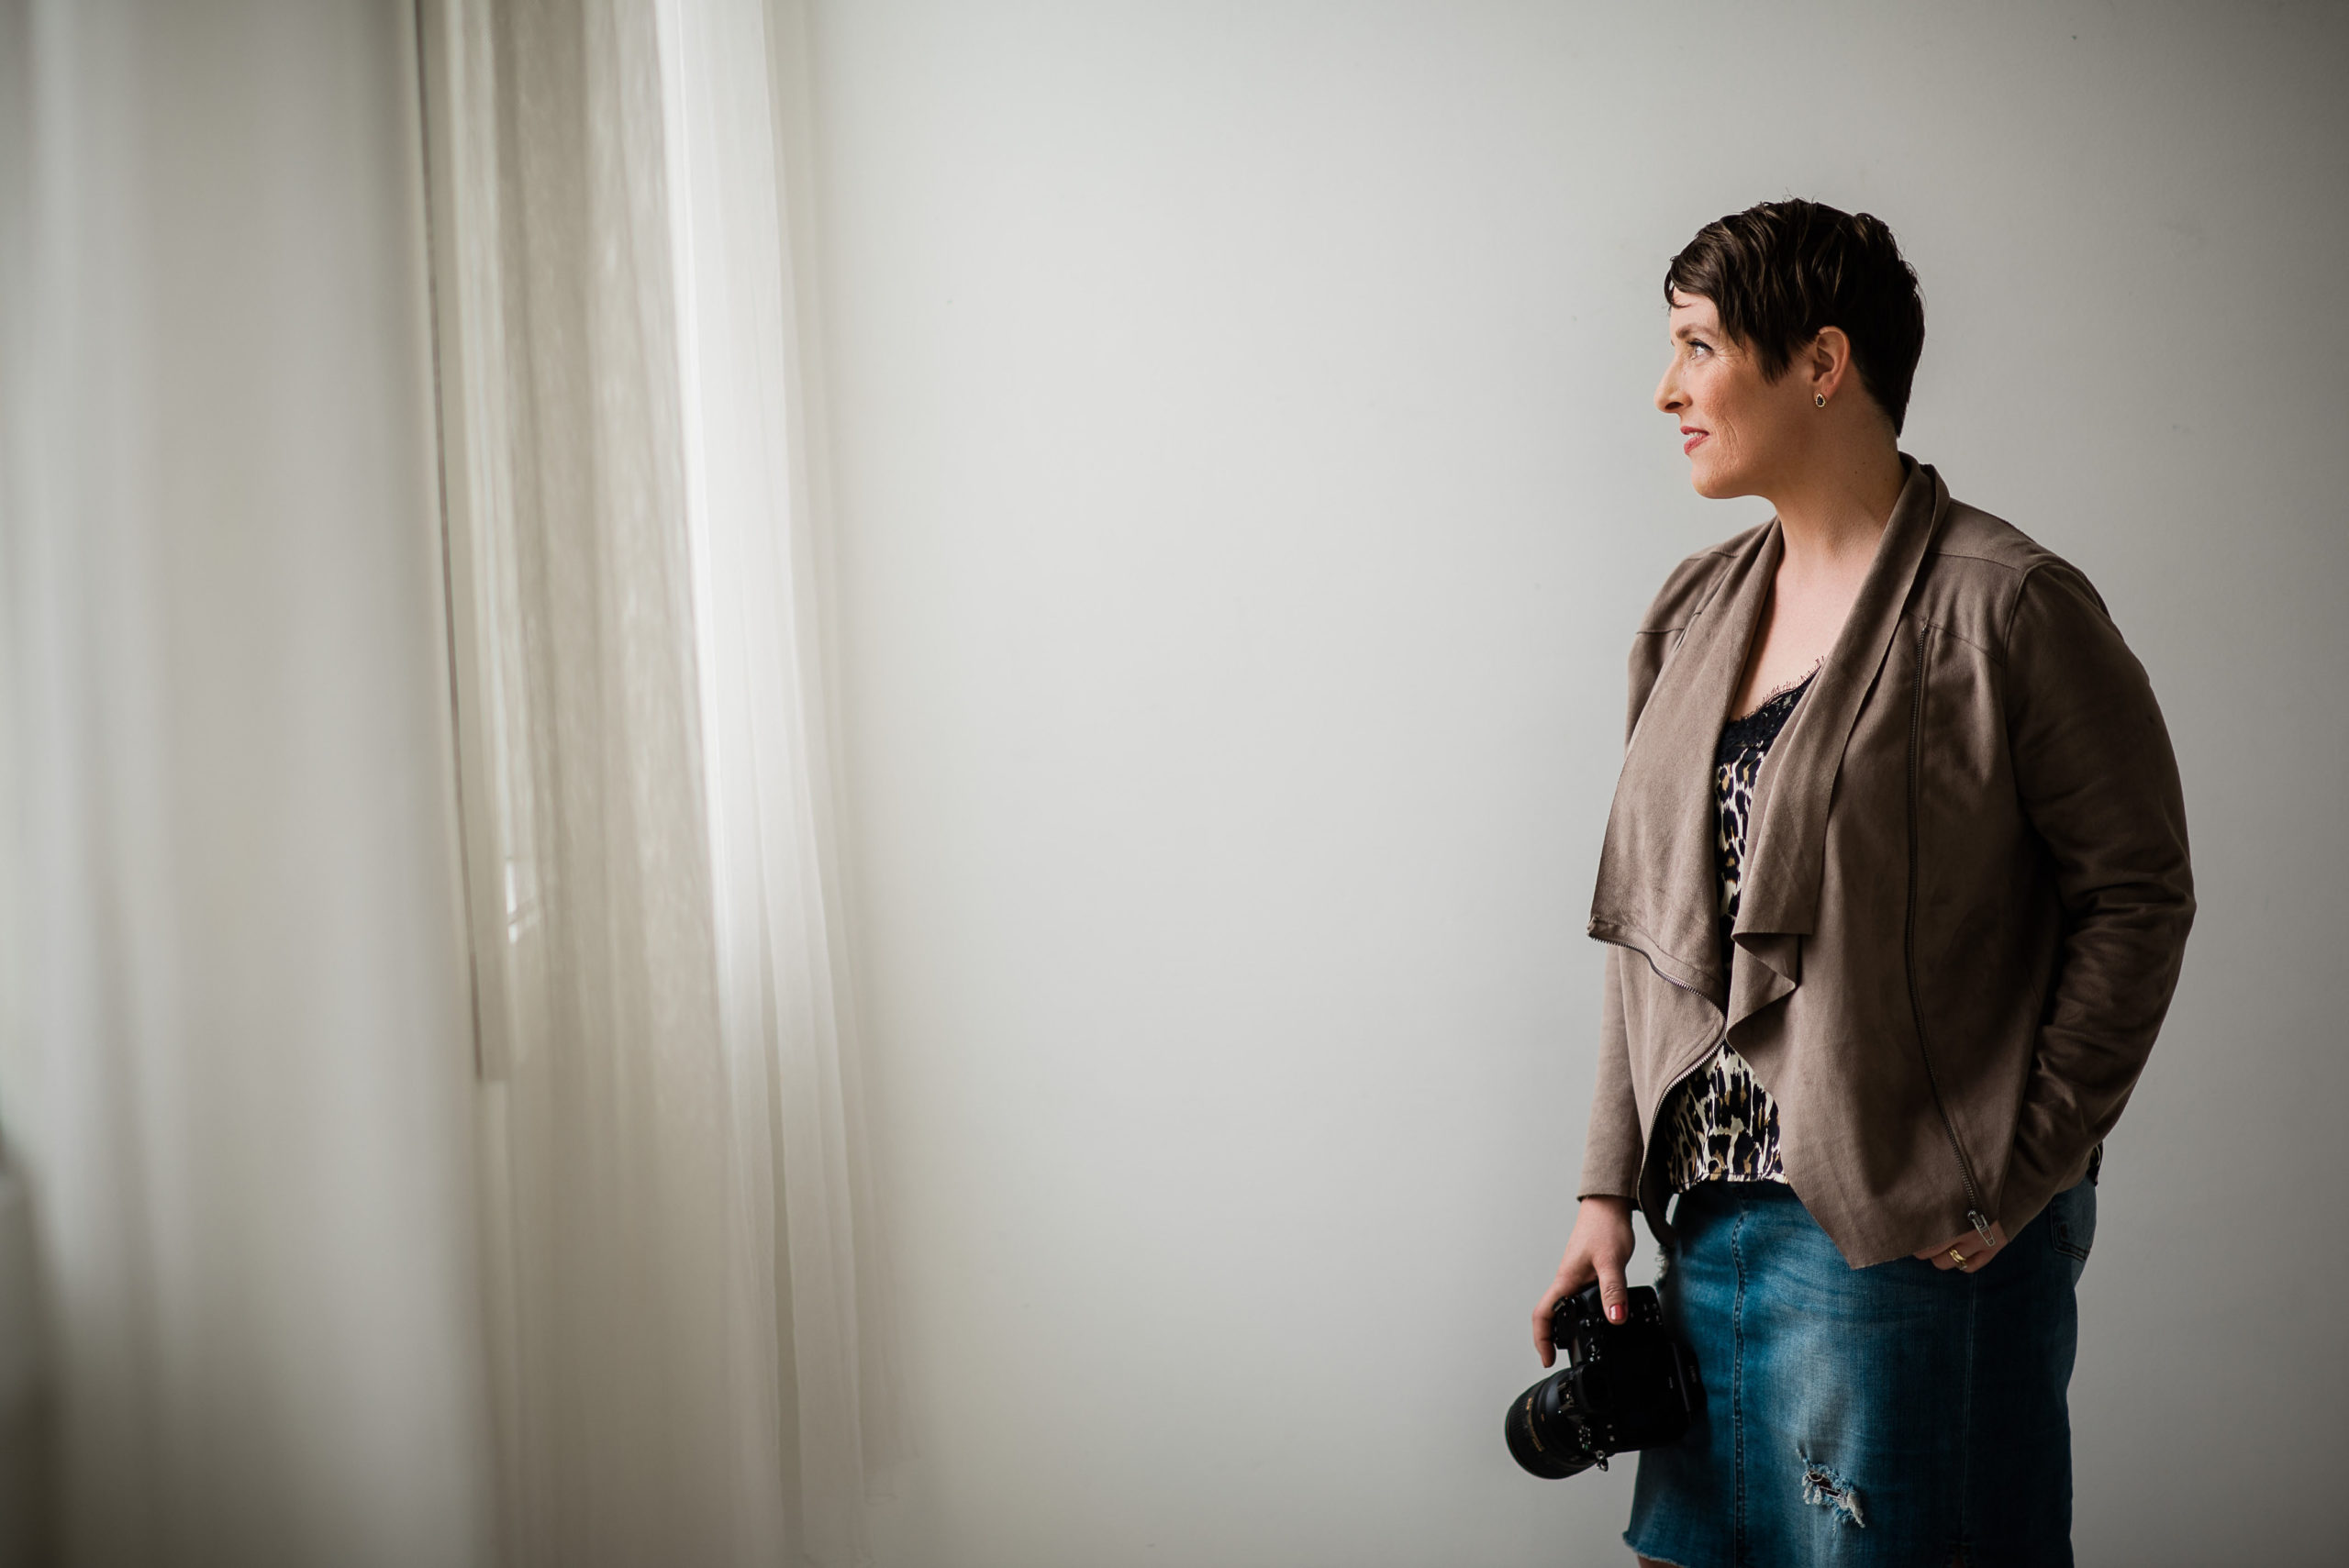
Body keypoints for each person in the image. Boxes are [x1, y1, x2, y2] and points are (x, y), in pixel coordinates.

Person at [1530, 200, 2194, 1567]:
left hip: (1902, 1243)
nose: (1668, 389)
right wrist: (1605, 1187)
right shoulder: (1692, 610)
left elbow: (2137, 893)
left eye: (1700, 347)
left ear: (1822, 361)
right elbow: (1653, 937)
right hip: (1703, 1235)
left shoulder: (2008, 606)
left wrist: (2017, 1161)